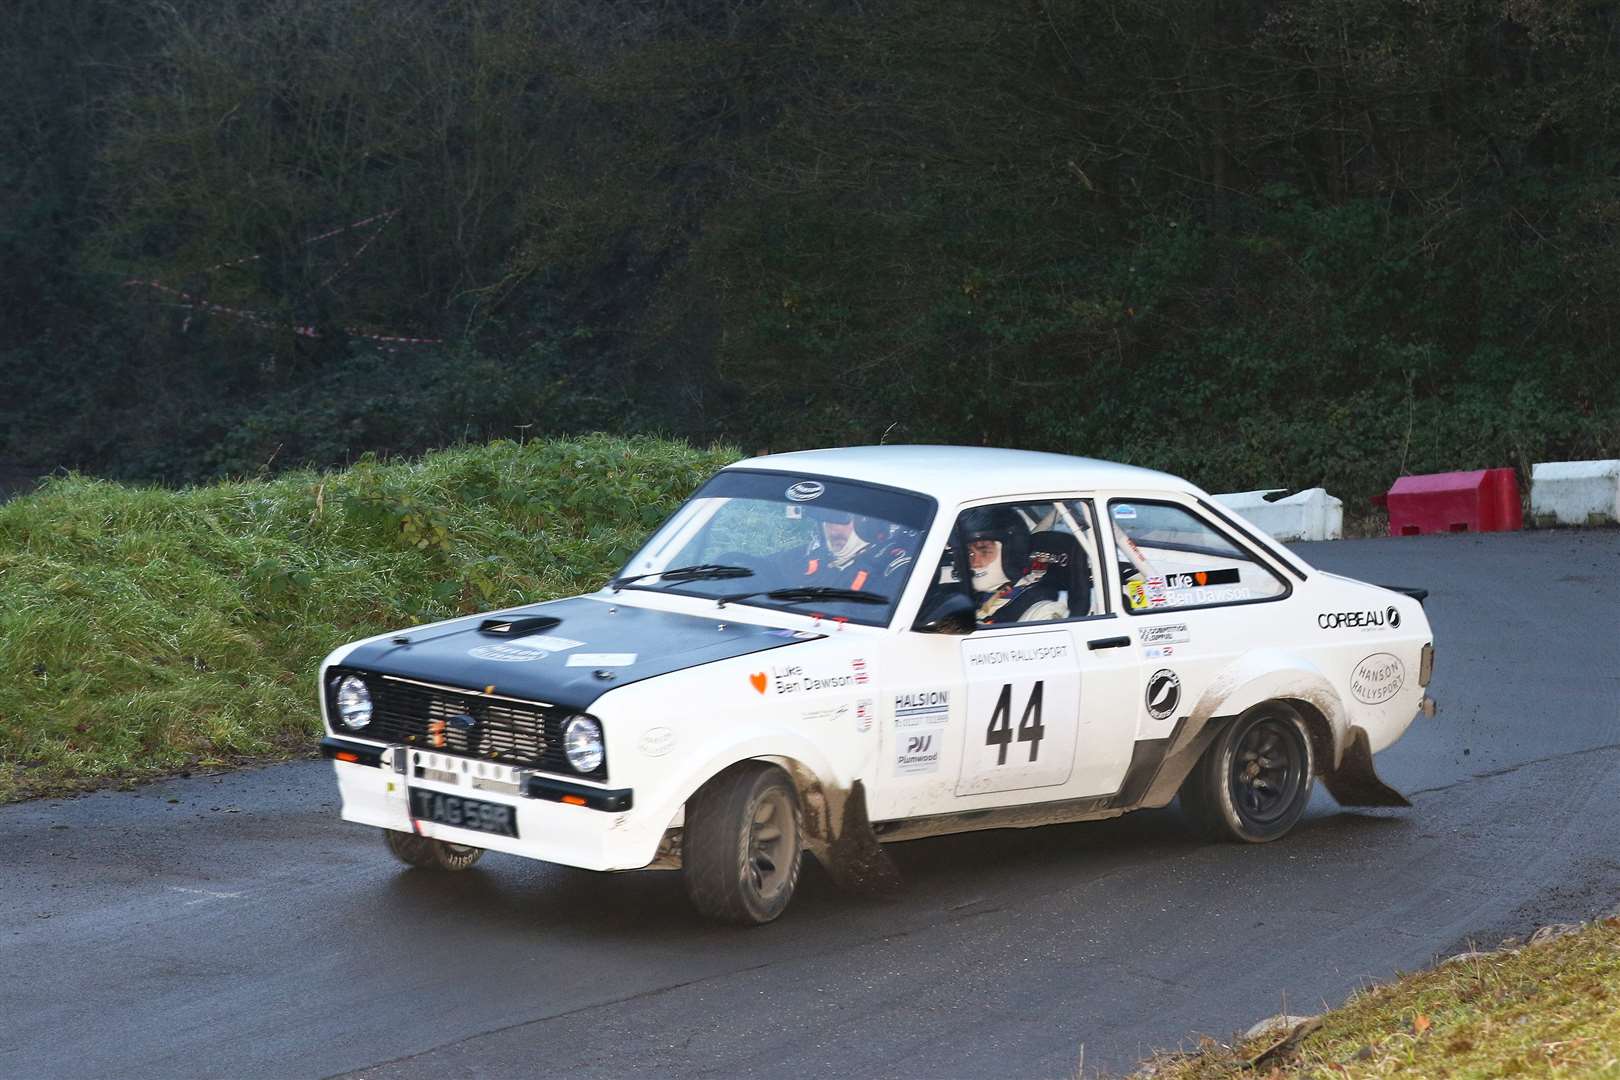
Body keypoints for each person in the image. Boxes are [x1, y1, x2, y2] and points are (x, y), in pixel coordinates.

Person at [959, 506, 1067, 624]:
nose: (974, 563)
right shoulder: (989, 595)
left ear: (1011, 553)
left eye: (984, 551)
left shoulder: (1042, 613)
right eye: (970, 553)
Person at [801, 509, 913, 592]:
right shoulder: (802, 557)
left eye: (840, 519)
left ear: (869, 525)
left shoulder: (897, 571)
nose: (831, 528)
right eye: (825, 519)